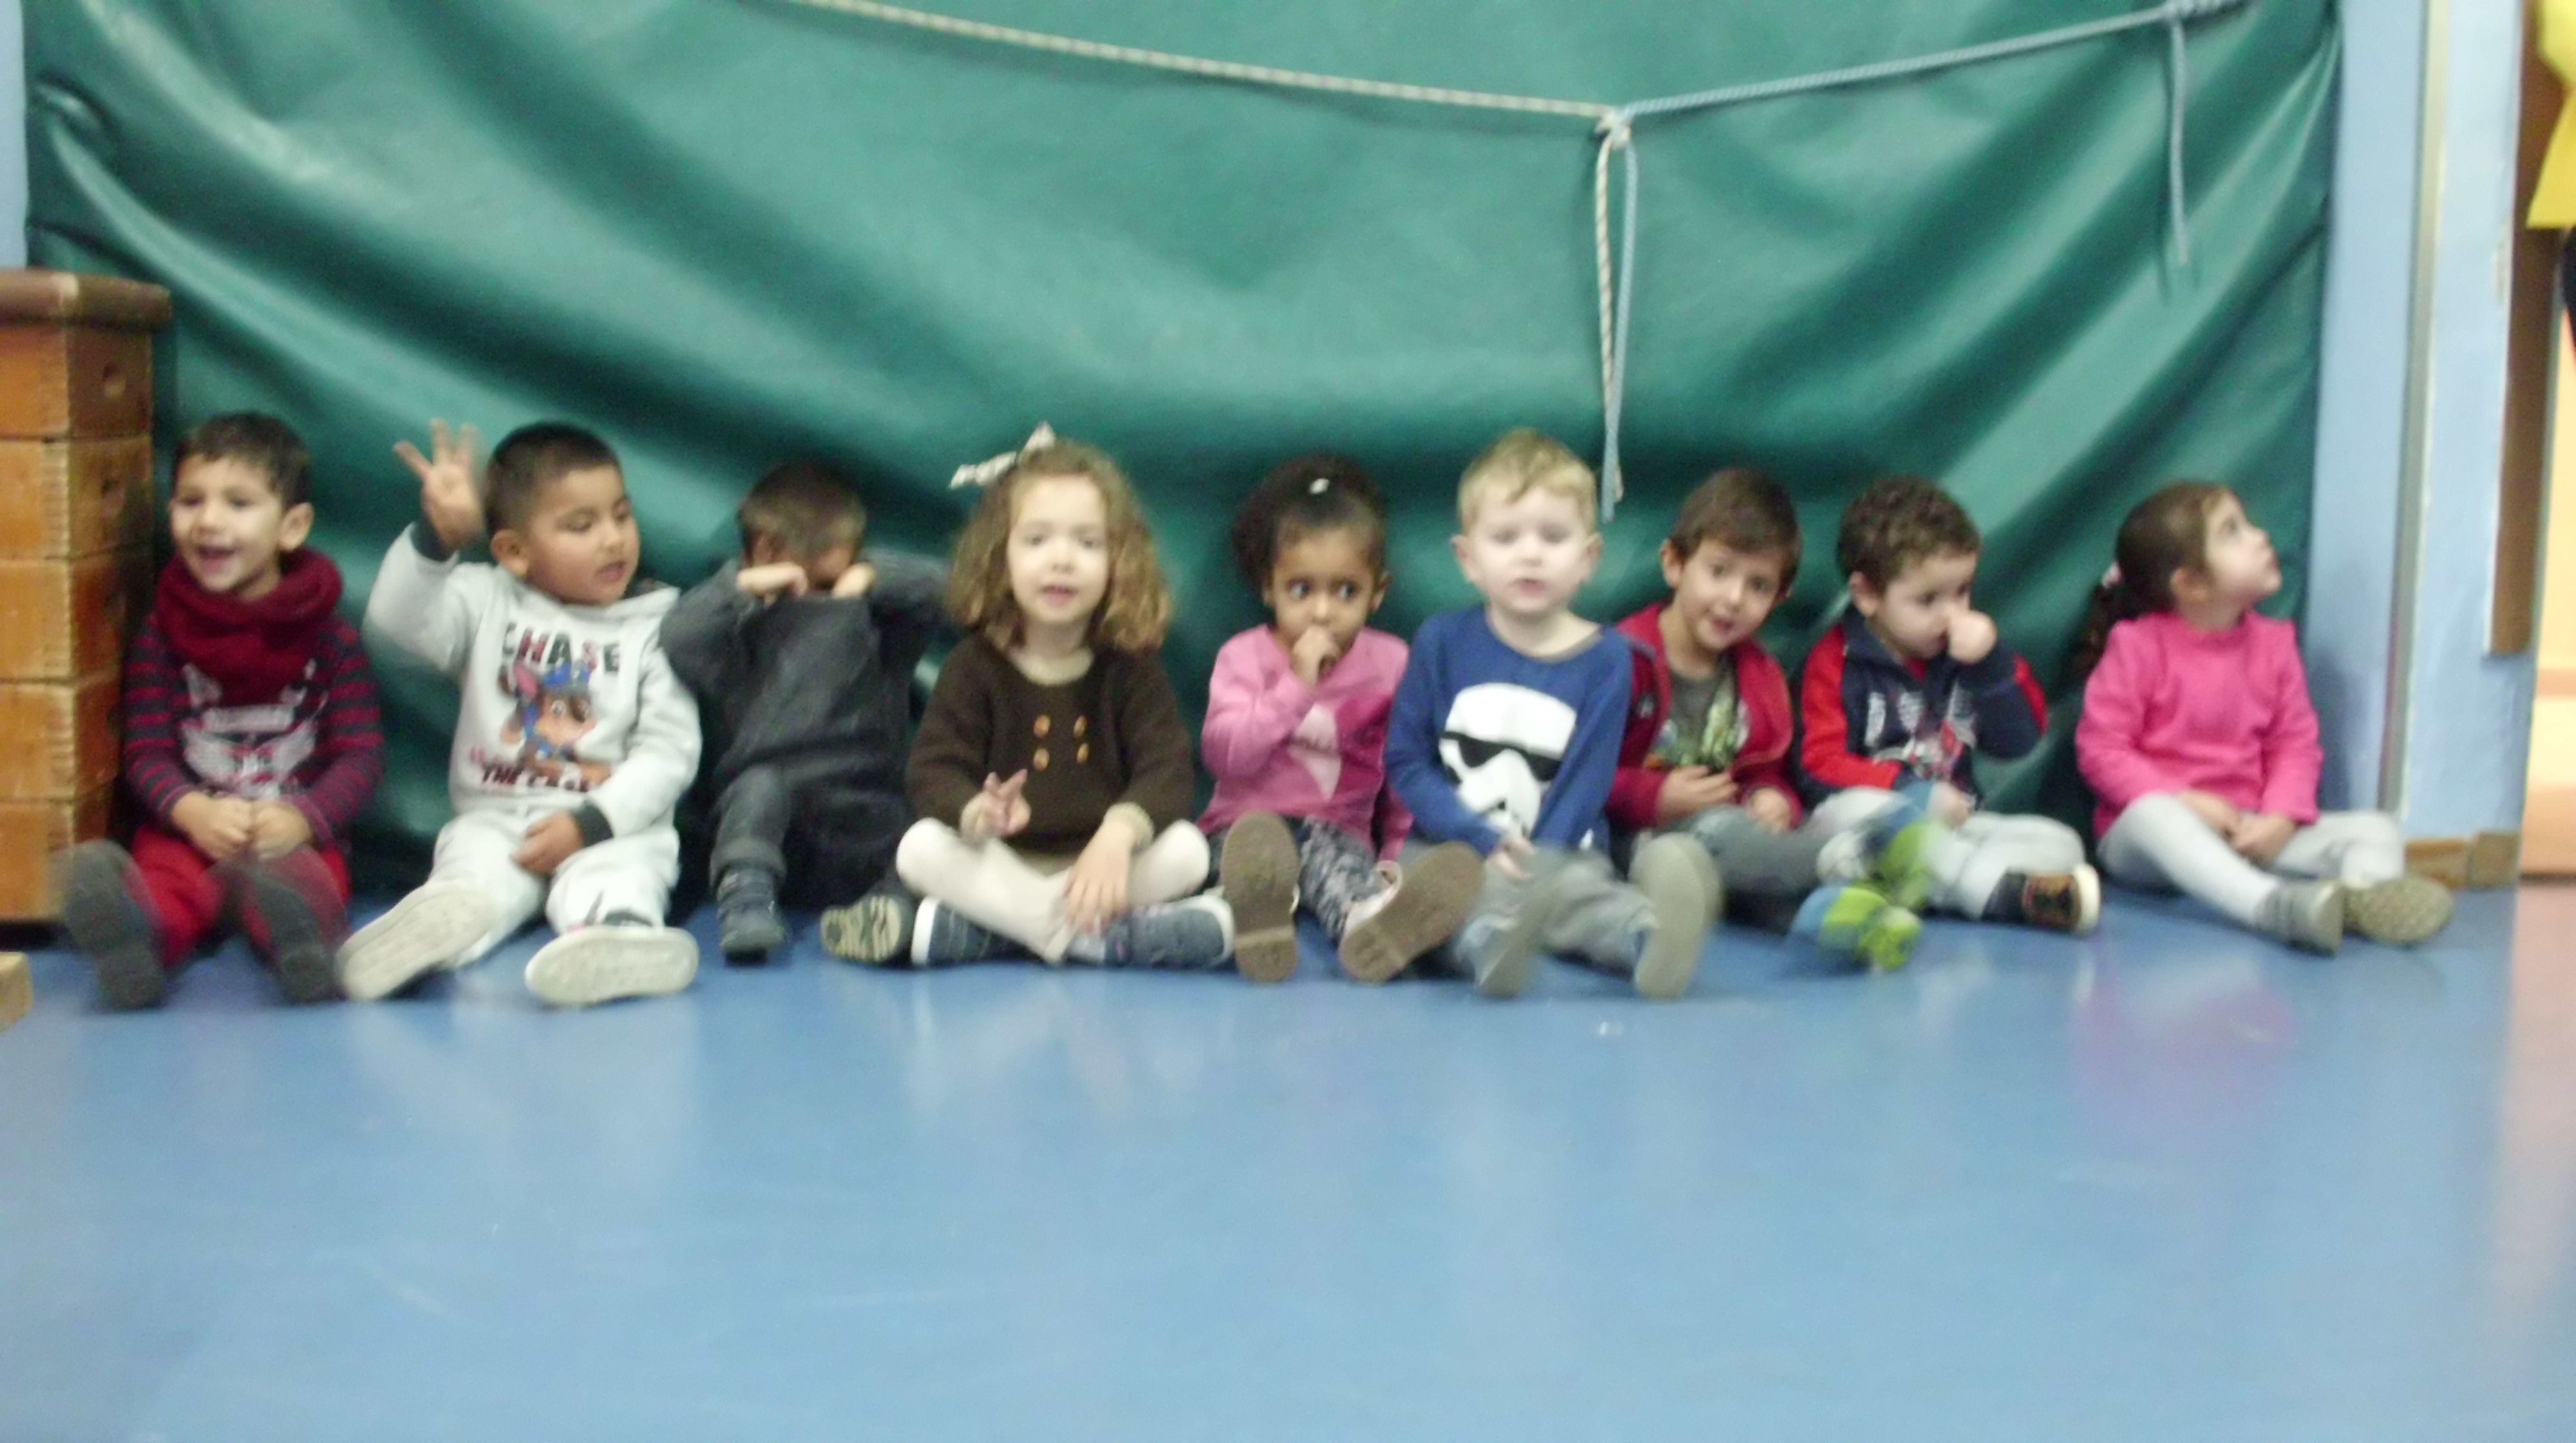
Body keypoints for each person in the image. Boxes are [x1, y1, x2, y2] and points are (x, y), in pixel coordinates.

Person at [822, 427, 1233, 970]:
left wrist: (1118, 835)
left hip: (1100, 868)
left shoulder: (1130, 671)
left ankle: (983, 935)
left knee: (1187, 851)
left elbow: (1168, 772)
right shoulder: (974, 666)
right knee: (919, 847)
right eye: (1037, 541)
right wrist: (976, 812)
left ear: (1120, 562)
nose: (1062, 560)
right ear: (1001, 557)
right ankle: (1097, 940)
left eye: (1087, 543)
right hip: (1003, 867)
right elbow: (934, 771)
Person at [338, 421, 702, 1006]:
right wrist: (435, 540)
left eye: (621, 516)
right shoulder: (486, 598)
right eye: (581, 526)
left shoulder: (660, 625)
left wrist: (590, 824)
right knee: (473, 876)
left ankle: (620, 935)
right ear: (513, 551)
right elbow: (394, 628)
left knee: (624, 872)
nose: (613, 540)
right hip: (499, 820)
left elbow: (670, 752)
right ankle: (435, 933)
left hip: (608, 825)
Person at [57, 414, 381, 1008]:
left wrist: (305, 819)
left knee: (306, 880)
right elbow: (146, 752)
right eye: (190, 501)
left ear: (292, 526)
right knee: (165, 882)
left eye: (238, 503)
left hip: (289, 839)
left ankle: (303, 948)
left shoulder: (330, 638)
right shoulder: (160, 634)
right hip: (189, 833)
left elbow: (360, 757)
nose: (208, 520)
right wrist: (191, 810)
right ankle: (136, 945)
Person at [1383, 430, 1719, 1000]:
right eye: (1506, 537)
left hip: (1558, 851)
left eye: (1554, 536)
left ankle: (1647, 940)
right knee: (1432, 891)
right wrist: (1476, 836)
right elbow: (1407, 763)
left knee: (1581, 894)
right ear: (1468, 559)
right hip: (1453, 845)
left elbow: (1588, 779)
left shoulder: (1608, 659)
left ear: (1588, 559)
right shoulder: (1441, 642)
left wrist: (1540, 864)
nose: (1531, 553)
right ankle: (1489, 948)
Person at [2074, 483, 2454, 952]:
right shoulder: (2138, 647)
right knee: (2152, 816)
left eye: (2247, 524)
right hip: (2150, 843)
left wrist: (2281, 816)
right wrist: (2185, 801)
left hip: (2247, 832)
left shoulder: (2273, 646)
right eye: (2232, 532)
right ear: (2191, 585)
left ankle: (2354, 903)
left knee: (2378, 831)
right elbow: (2101, 750)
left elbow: (2294, 744)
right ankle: (2271, 906)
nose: (2260, 537)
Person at [1610, 467, 1933, 971]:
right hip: (1641, 844)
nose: (1734, 598)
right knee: (1718, 838)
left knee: (1765, 884)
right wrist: (1655, 796)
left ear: (1779, 599)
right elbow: (1580, 774)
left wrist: (1772, 799)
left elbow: (1766, 772)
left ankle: (1856, 923)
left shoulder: (1759, 679)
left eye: (1758, 585)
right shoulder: (1622, 661)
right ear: (1674, 564)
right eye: (1719, 572)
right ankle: (1853, 856)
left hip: (1735, 847)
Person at [1197, 454, 1481, 984]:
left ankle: (1371, 929)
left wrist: (1394, 854)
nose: (1323, 611)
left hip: (1335, 829)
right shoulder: (1244, 656)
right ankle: (1257, 920)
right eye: (1301, 590)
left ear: (1378, 593)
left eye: (1346, 591)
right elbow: (1225, 758)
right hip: (1242, 830)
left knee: (1340, 871)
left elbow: (1405, 766)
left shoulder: (1392, 663)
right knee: (1243, 859)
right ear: (1269, 588)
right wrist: (1295, 686)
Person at [661, 461, 945, 962]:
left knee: (926, 820)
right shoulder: (735, 634)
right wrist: (743, 586)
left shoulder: (880, 627)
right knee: (755, 791)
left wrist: (873, 576)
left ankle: (886, 911)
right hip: (775, 828)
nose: (816, 598)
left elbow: (949, 594)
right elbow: (678, 635)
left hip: (864, 811)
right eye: (807, 581)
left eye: (830, 581)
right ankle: (747, 901)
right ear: (765, 552)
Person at [1797, 475, 2100, 935]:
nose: (1953, 614)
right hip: (1871, 820)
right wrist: (1913, 794)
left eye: (1962, 592)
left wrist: (1991, 662)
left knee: (2062, 843)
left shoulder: (1966, 655)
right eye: (1928, 600)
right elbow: (1817, 766)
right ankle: (1993, 893)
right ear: (1868, 595)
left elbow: (2020, 741)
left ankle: (1932, 884)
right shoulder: (1835, 662)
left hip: (1955, 827)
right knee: (1854, 817)